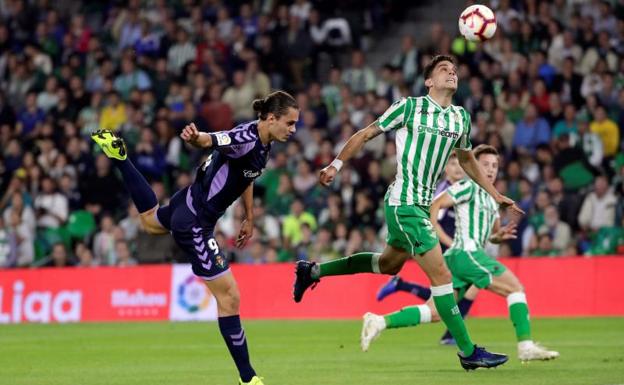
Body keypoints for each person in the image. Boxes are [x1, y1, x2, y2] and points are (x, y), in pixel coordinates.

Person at [293, 55, 524, 370]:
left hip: (418, 205)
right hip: (404, 203)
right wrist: (336, 164)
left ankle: (313, 272)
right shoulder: (409, 107)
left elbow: (468, 160)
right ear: (429, 81)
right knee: (442, 277)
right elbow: (366, 133)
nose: (452, 72)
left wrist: (496, 194)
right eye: (444, 69)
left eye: (454, 69)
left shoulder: (460, 118)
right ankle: (469, 352)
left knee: (387, 264)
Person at [92, 91, 299, 385]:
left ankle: (121, 159)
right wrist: (195, 137)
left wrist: (249, 216)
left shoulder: (263, 142)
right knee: (229, 297)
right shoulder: (245, 139)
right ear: (271, 118)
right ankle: (248, 378)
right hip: (196, 222)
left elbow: (247, 176)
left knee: (150, 221)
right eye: (289, 123)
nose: (293, 130)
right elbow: (212, 140)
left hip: (186, 201)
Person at [361, 145, 559, 362]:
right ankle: (526, 346)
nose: (491, 170)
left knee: (435, 312)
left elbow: (490, 235)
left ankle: (379, 321)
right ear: (474, 167)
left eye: (494, 165)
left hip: (458, 258)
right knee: (515, 289)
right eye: (484, 165)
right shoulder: (469, 186)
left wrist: (498, 236)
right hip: (467, 253)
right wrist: (432, 227)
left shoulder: (492, 199)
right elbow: (437, 203)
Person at [376, 152, 480, 346]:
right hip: (442, 248)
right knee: (460, 291)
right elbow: (433, 224)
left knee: (447, 296)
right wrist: (451, 244)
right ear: (445, 168)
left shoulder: (459, 189)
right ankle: (452, 336)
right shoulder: (443, 192)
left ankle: (401, 287)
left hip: (450, 248)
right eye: (452, 164)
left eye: (460, 164)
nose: (457, 168)